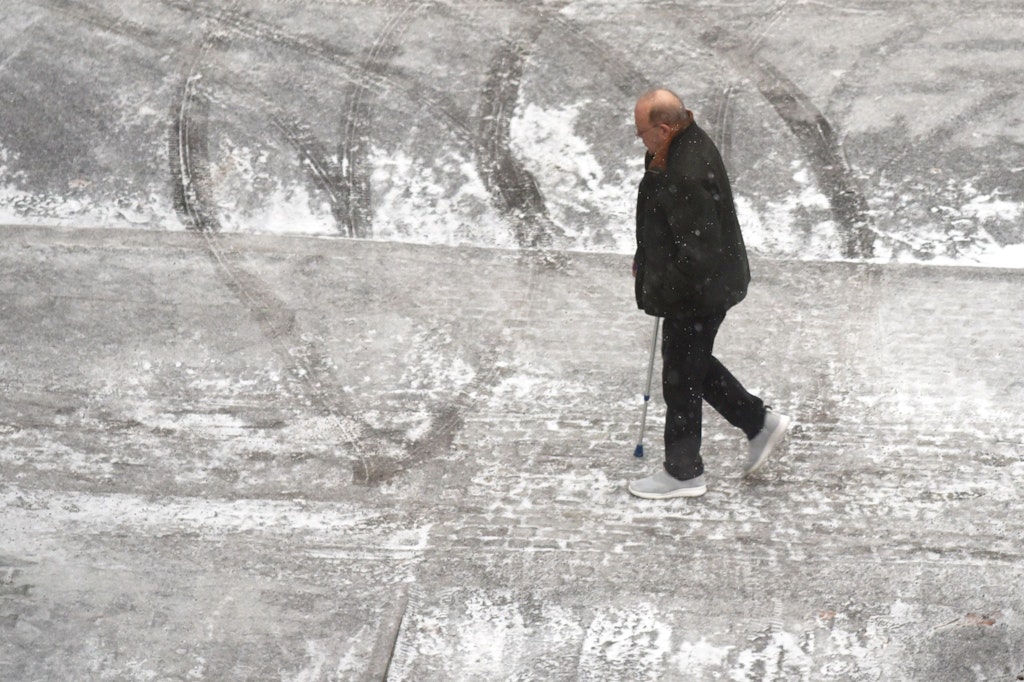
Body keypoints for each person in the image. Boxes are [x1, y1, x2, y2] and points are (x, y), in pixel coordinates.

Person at [628, 88, 790, 499]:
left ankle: (684, 473)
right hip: (702, 287)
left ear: (664, 128)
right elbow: (664, 223)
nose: (640, 140)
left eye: (642, 132)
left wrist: (662, 288)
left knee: (681, 376)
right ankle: (758, 423)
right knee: (689, 364)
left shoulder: (687, 171)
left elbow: (698, 254)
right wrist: (644, 256)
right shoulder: (677, 146)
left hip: (698, 292)